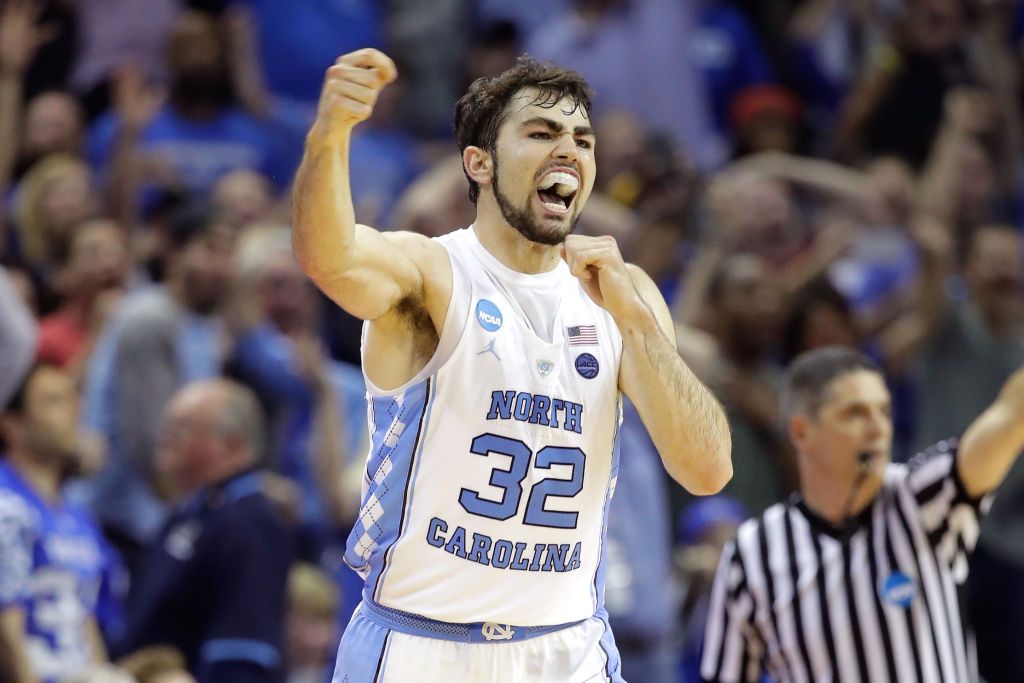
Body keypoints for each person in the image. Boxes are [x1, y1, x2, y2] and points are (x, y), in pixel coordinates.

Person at [292, 47, 732, 682]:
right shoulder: (432, 272)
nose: (568, 150)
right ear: (480, 163)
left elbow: (707, 470)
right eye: (541, 133)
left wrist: (634, 317)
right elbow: (327, 257)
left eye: (582, 139)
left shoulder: (621, 293)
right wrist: (330, 134)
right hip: (421, 644)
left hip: (566, 648)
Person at [700, 346, 1024, 682]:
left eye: (883, 411)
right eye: (855, 413)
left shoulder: (922, 499)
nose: (878, 429)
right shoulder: (753, 554)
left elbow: (1009, 420)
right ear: (801, 432)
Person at [114, 379, 294, 682]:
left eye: (182, 428)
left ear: (232, 446)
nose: (166, 436)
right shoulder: (193, 512)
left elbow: (241, 653)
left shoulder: (250, 523)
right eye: (167, 424)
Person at [0, 363, 113, 683]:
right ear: (13, 425)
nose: (73, 410)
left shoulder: (80, 516)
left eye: (73, 398)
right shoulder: (6, 505)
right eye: (53, 400)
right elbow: (6, 628)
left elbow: (86, 621)